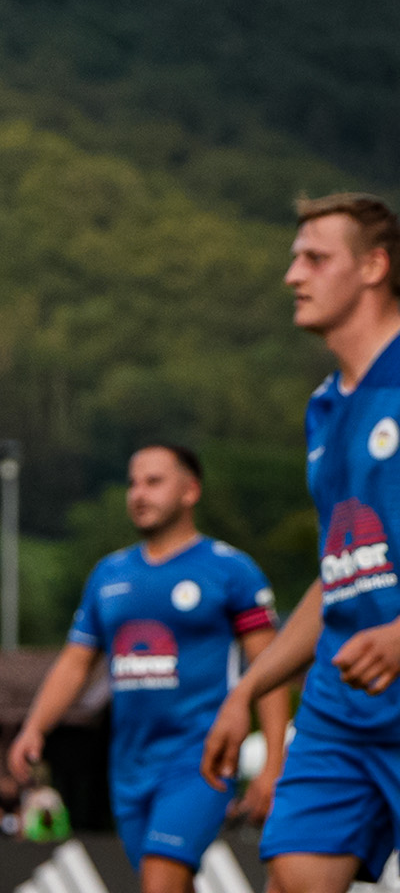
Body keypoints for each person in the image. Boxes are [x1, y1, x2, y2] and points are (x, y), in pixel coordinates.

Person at [204, 194, 400, 893]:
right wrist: (249, 689)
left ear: (375, 266)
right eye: (294, 257)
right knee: (292, 877)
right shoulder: (326, 407)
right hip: (342, 707)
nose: (293, 274)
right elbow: (339, 577)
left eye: (315, 257)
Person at [8, 444, 290, 891]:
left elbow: (271, 668)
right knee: (164, 883)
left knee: (161, 878)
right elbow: (75, 662)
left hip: (200, 759)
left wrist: (274, 762)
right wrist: (35, 727)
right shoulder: (109, 574)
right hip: (129, 766)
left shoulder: (230, 570)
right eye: (133, 483)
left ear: (190, 491)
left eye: (154, 481)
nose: (139, 493)